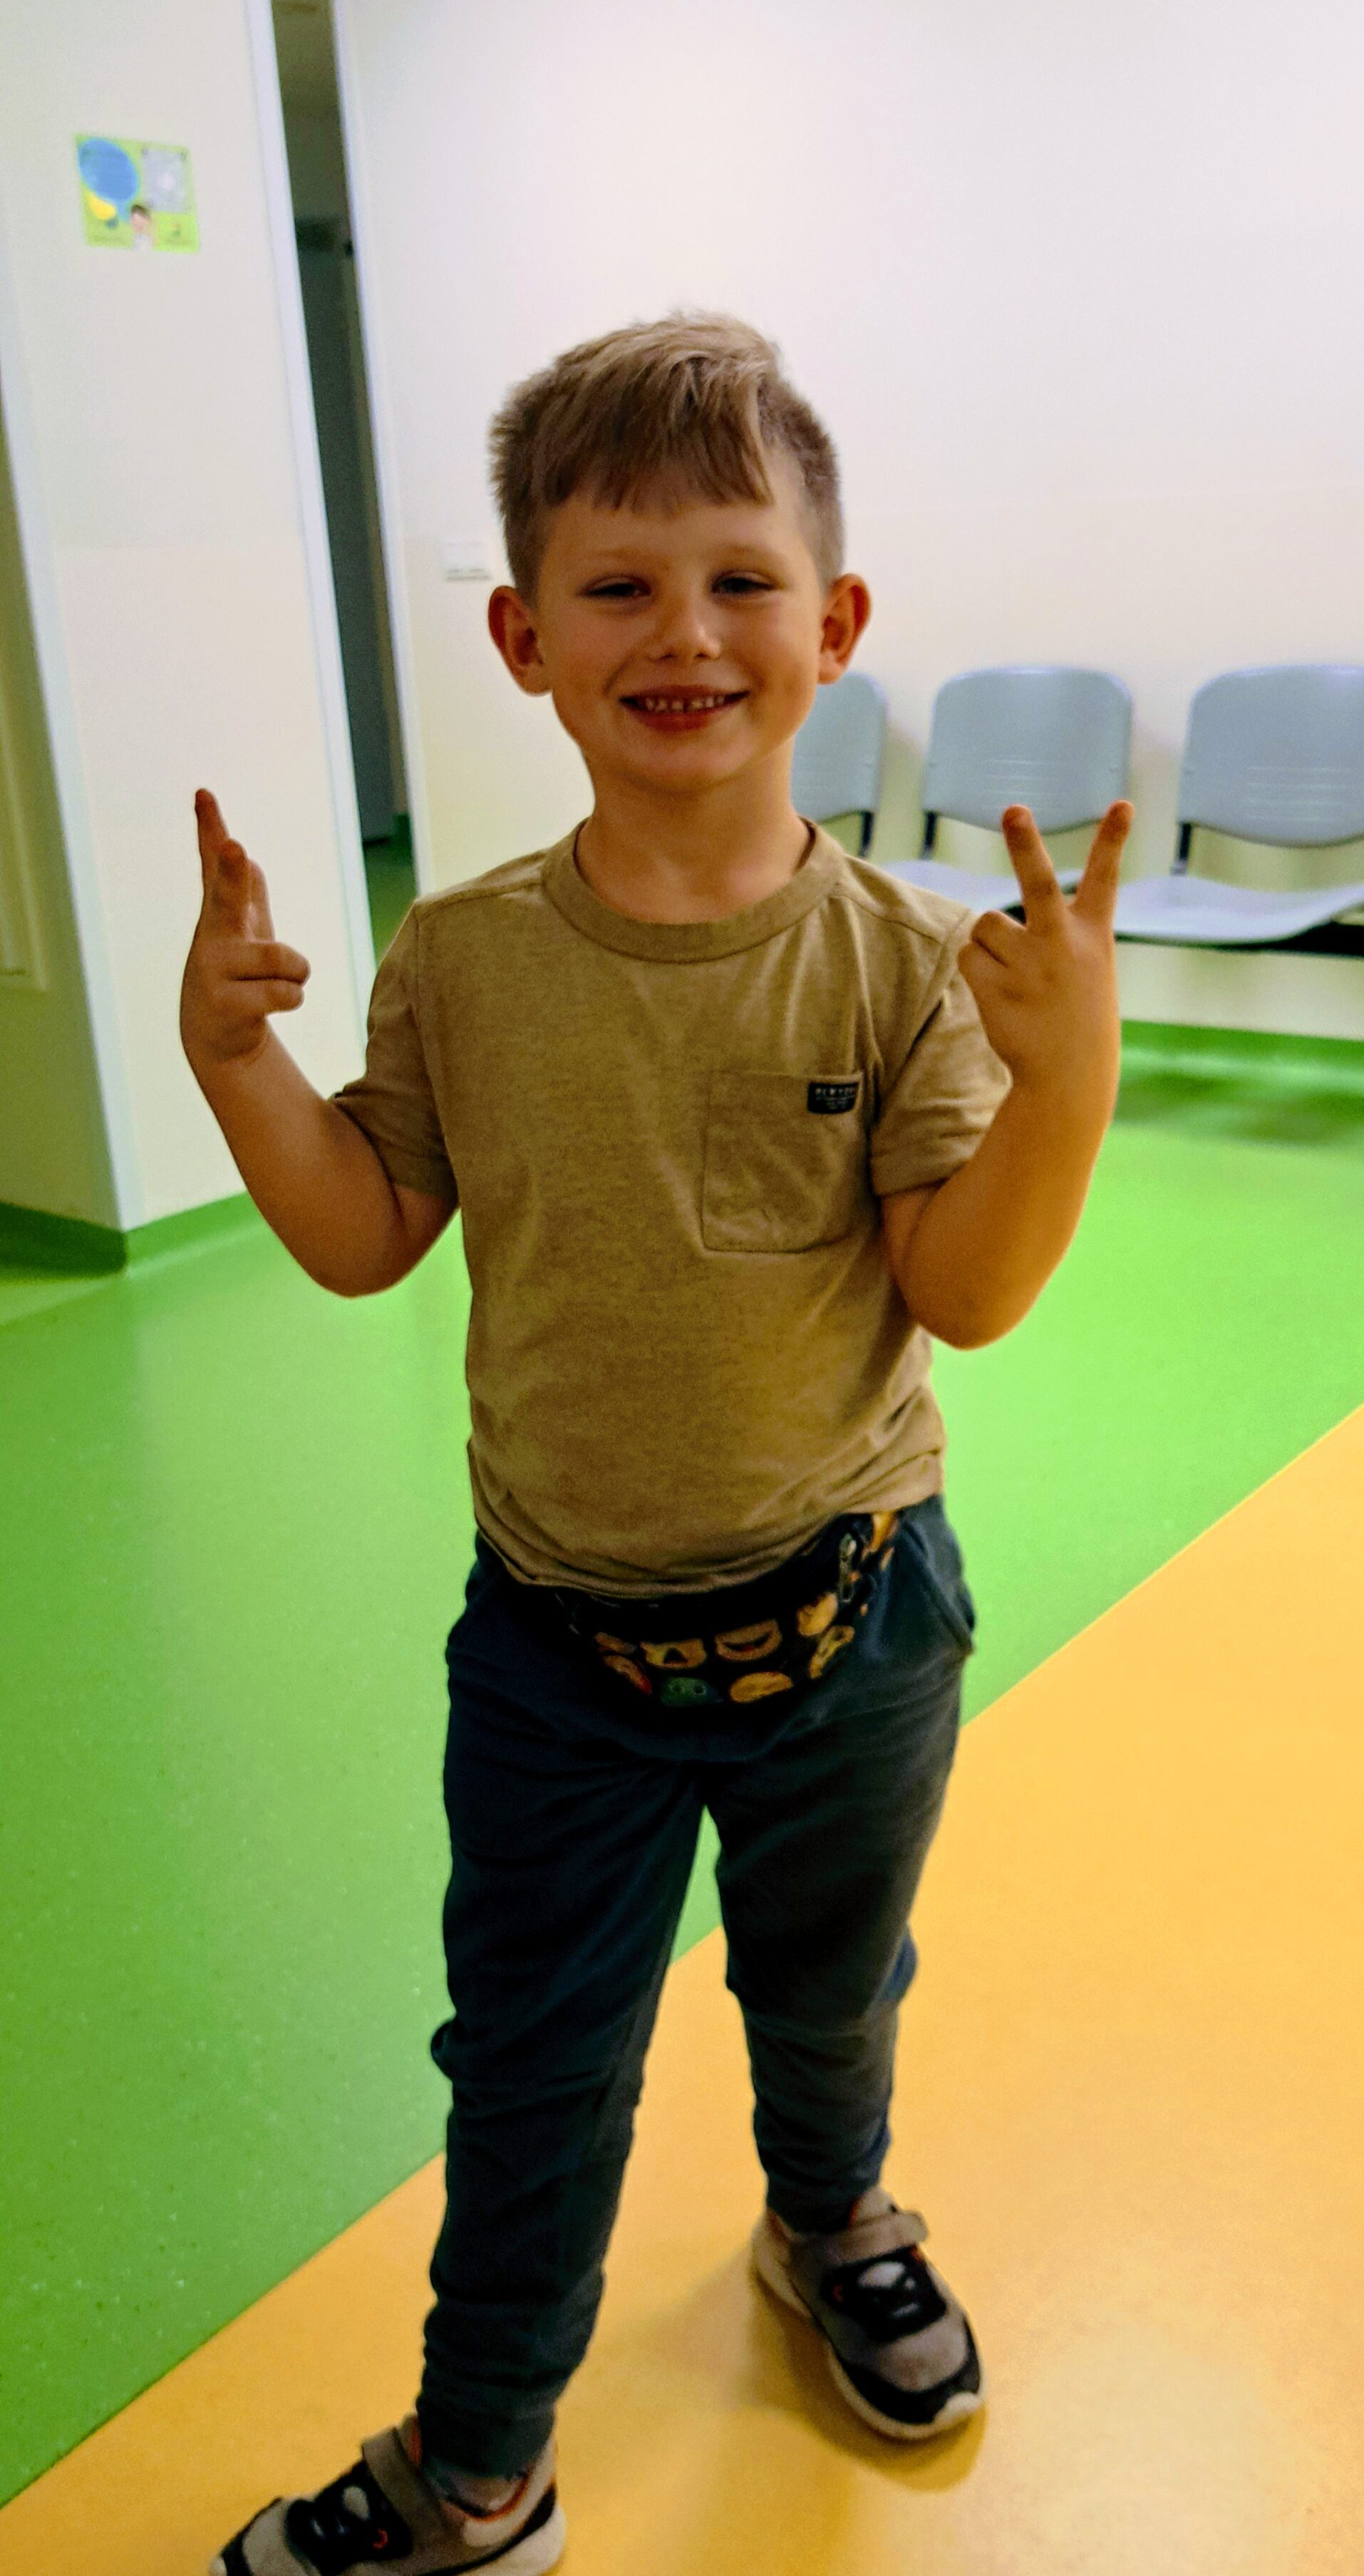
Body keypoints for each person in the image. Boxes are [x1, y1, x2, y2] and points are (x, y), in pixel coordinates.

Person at [185, 315, 1130, 2576]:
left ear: (834, 623)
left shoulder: (898, 960)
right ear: (524, 641)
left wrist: (1069, 1077)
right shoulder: (464, 958)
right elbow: (365, 1237)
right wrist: (236, 1066)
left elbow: (966, 1289)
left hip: (854, 1622)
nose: (681, 633)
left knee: (830, 1991)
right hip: (555, 1656)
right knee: (531, 2059)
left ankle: (834, 2222)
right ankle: (479, 2467)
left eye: (737, 580)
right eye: (613, 587)